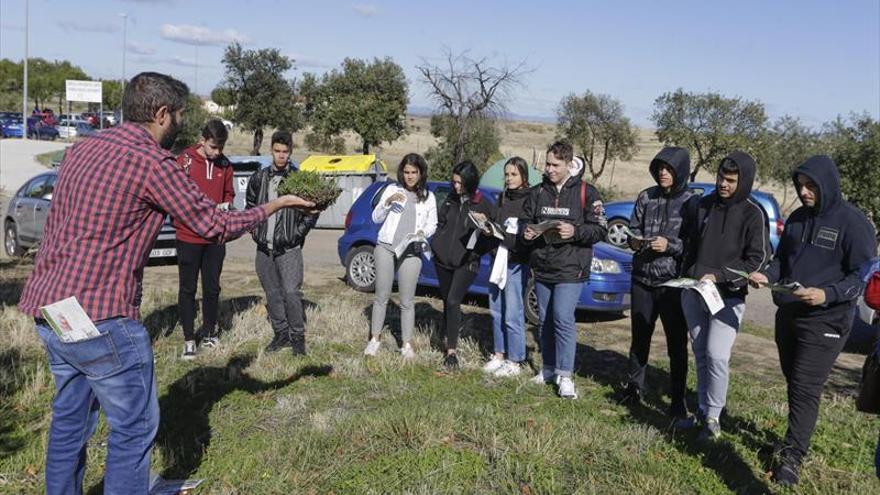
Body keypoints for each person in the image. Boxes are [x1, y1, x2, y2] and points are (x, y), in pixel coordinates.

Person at [17, 72, 314, 495]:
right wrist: (277, 204)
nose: (179, 124)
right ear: (160, 114)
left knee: (69, 421)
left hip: (52, 308)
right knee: (135, 427)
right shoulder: (152, 163)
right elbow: (212, 224)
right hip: (102, 315)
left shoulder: (83, 148)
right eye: (177, 115)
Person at [748, 155, 876, 486]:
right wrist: (766, 274)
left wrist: (826, 294)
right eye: (801, 185)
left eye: (811, 186)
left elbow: (860, 276)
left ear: (827, 185)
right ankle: (795, 436)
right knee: (796, 382)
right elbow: (782, 262)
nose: (804, 192)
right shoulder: (797, 219)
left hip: (827, 321)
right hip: (789, 314)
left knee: (806, 387)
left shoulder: (854, 223)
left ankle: (792, 458)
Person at [676, 151, 771, 440]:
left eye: (730, 180)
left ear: (743, 182)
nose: (723, 185)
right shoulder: (703, 205)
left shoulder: (754, 214)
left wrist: (720, 276)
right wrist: (688, 274)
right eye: (720, 178)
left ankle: (715, 419)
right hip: (695, 292)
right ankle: (703, 410)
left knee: (718, 355)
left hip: (728, 297)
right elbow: (689, 244)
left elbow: (757, 259)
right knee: (702, 353)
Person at [521, 141, 607, 399]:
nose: (549, 169)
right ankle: (548, 369)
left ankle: (565, 376)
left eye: (555, 165)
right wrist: (527, 231)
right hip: (543, 266)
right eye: (547, 164)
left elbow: (600, 228)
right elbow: (525, 220)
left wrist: (575, 231)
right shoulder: (537, 192)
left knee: (562, 317)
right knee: (545, 320)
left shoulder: (586, 192)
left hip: (571, 268)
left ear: (570, 165)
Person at [623, 147, 694, 419]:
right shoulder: (646, 196)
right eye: (659, 168)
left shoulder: (691, 202)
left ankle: (677, 400)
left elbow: (693, 245)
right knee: (639, 337)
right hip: (641, 279)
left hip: (672, 284)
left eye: (669, 168)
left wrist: (671, 245)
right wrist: (634, 240)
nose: (663, 173)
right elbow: (633, 230)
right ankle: (633, 388)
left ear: (681, 171)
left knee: (677, 344)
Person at [246, 130, 320, 357]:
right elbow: (250, 205)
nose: (281, 156)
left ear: (290, 152)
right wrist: (254, 229)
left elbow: (312, 211)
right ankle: (281, 334)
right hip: (263, 248)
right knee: (272, 293)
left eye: (285, 152)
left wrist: (296, 235)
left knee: (291, 293)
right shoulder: (260, 177)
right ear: (271, 150)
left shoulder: (298, 178)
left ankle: (297, 337)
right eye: (277, 151)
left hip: (289, 249)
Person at [364, 153, 438, 358]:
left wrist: (424, 233)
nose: (410, 176)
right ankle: (374, 339)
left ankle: (406, 344)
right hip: (386, 247)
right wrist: (387, 202)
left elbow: (433, 223)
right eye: (406, 172)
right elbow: (376, 217)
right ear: (401, 173)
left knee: (407, 300)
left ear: (421, 173)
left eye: (414, 172)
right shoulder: (392, 189)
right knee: (382, 296)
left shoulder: (428, 197)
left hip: (411, 250)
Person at [174, 119, 235, 359]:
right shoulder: (184, 161)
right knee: (187, 288)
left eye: (221, 148)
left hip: (215, 238)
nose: (217, 152)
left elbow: (229, 193)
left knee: (212, 287)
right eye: (213, 147)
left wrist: (227, 205)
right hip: (188, 236)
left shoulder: (225, 165)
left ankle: (209, 331)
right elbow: (175, 194)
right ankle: (189, 339)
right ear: (202, 141)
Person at [429, 161, 495, 370]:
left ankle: (452, 352)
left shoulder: (482, 203)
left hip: (467, 263)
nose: (456, 186)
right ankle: (446, 335)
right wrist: (437, 243)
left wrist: (478, 249)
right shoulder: (450, 199)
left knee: (453, 299)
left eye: (460, 182)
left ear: (470, 181)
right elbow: (441, 223)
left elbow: (494, 235)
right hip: (442, 261)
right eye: (454, 181)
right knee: (448, 301)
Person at [482, 156, 532, 378]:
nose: (509, 178)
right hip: (497, 260)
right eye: (507, 174)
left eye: (514, 174)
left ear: (523, 176)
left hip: (515, 263)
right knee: (496, 310)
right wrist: (487, 227)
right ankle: (499, 353)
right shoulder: (502, 198)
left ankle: (516, 359)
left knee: (513, 313)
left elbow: (526, 234)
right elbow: (496, 223)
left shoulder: (530, 200)